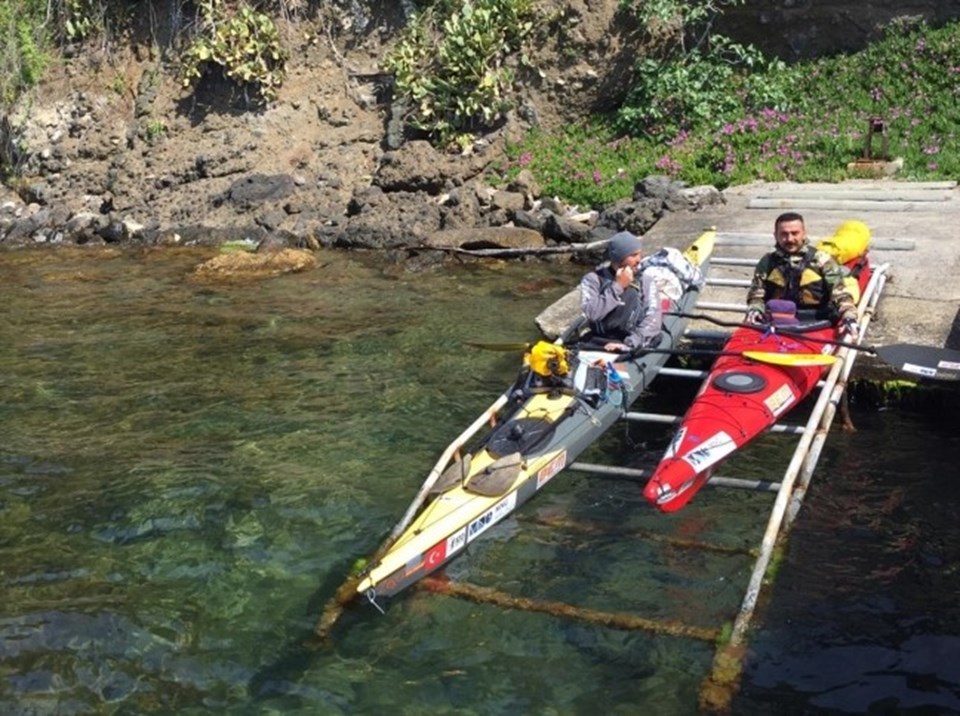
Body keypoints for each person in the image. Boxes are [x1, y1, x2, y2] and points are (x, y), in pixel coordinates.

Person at [745, 212, 861, 341]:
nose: (789, 239)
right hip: (776, 321)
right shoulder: (767, 262)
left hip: (817, 322)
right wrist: (755, 308)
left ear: (804, 233)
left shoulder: (822, 260)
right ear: (775, 236)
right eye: (784, 234)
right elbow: (756, 295)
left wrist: (849, 316)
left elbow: (840, 293)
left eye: (795, 233)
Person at [579, 231, 662, 352]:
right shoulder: (592, 279)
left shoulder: (645, 281)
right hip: (600, 340)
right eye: (633, 255)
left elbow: (653, 318)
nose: (639, 259)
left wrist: (630, 343)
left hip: (632, 340)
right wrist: (618, 286)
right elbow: (592, 314)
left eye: (639, 254)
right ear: (619, 257)